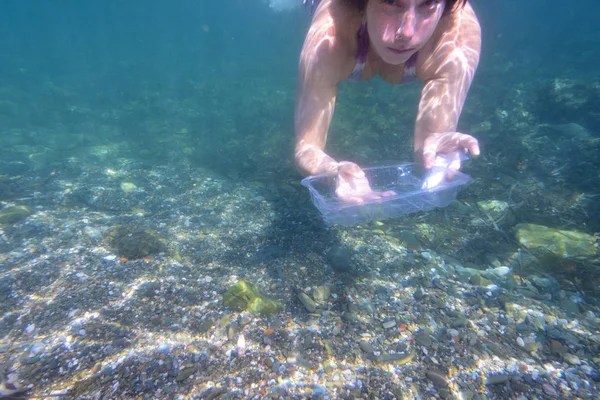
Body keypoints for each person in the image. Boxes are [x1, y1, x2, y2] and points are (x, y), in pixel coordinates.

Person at [295, 0, 481, 204]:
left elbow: (427, 153)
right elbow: (306, 148)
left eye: (428, 3)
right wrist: (333, 171)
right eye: (392, 2)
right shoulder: (330, 37)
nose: (407, 32)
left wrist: (438, 153)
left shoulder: (457, 37)